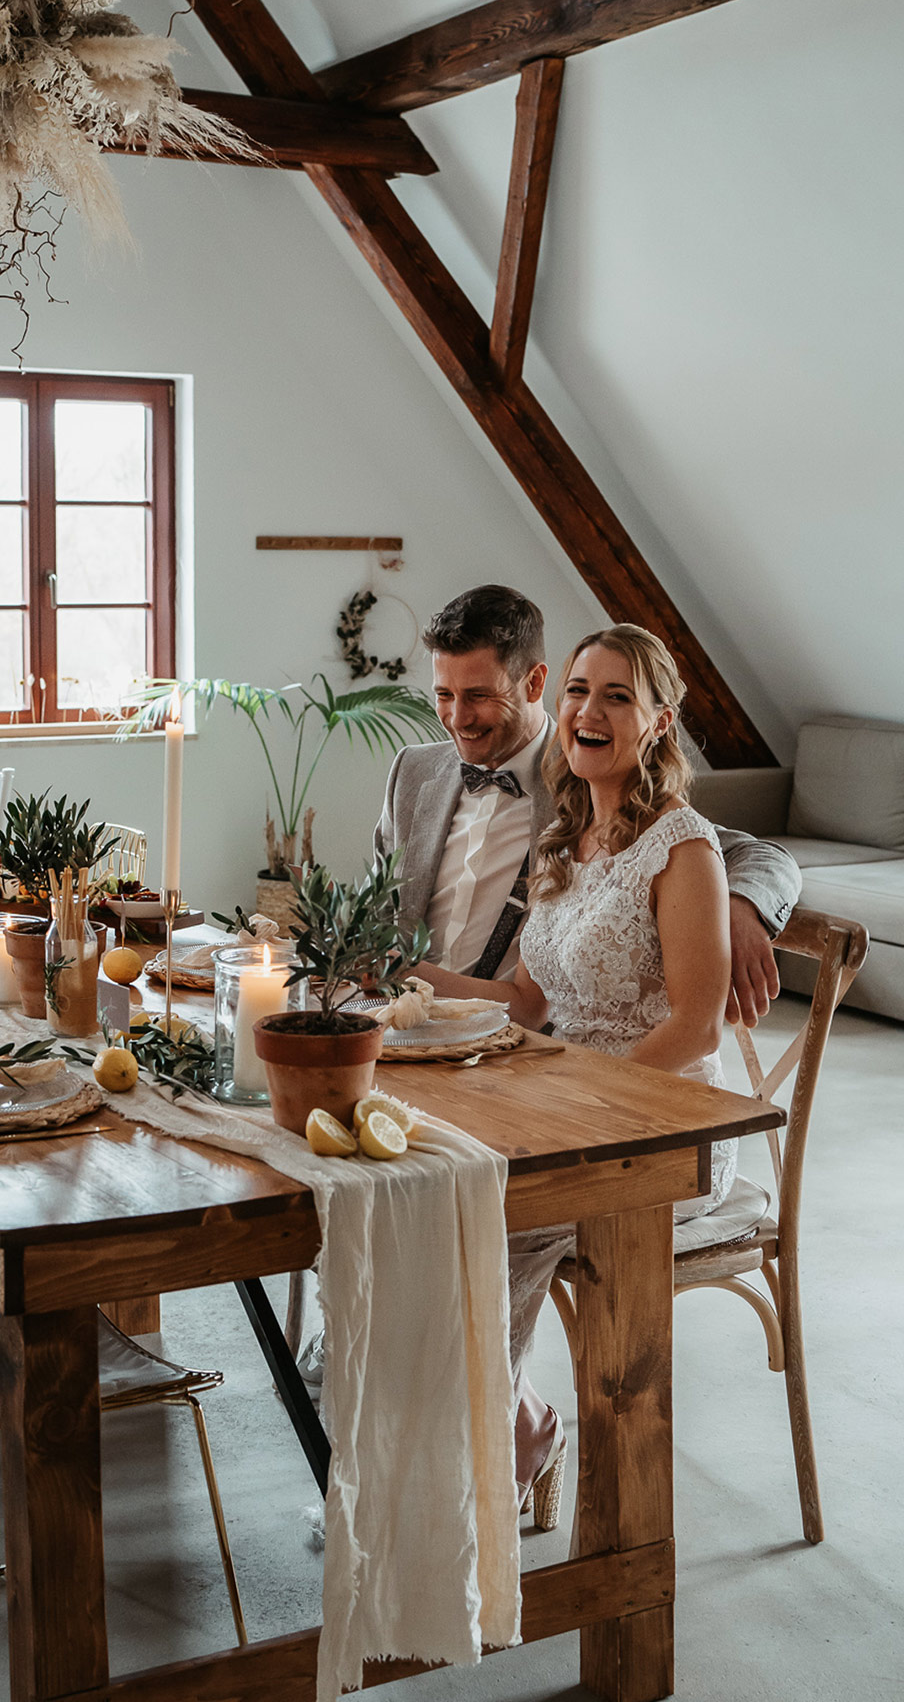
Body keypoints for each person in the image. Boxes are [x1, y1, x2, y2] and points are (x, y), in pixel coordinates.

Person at [409, 620, 752, 1529]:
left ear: (658, 722)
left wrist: (583, 1103)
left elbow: (695, 1023)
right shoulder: (567, 838)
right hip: (562, 1107)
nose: (588, 711)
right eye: (578, 691)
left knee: (478, 1216)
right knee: (422, 1193)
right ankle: (512, 1426)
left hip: (661, 1128)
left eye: (616, 696)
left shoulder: (683, 848)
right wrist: (403, 980)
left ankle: (478, 1467)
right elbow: (522, 1000)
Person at [375, 586, 799, 1026]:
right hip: (400, 1024)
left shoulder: (591, 772)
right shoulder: (414, 771)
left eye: (479, 696)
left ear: (535, 683)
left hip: (517, 1041)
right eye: (444, 695)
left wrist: (743, 907)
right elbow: (382, 913)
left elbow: (748, 852)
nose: (458, 718)